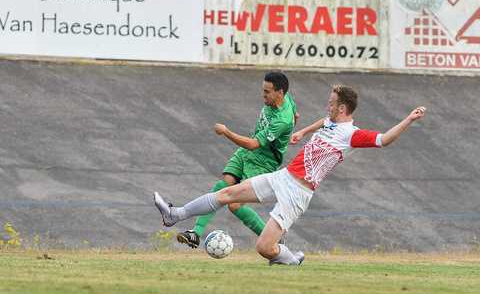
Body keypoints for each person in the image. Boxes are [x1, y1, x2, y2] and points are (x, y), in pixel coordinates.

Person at [154, 84, 427, 265]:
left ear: (342, 108)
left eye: (331, 103)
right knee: (226, 193)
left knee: (265, 248)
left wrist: (409, 119)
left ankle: (291, 259)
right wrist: (304, 131)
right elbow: (324, 122)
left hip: (298, 192)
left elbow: (385, 139)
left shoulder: (352, 135)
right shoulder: (332, 121)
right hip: (283, 177)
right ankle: (174, 215)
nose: (327, 106)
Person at [175, 71, 298, 248]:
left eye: (267, 92)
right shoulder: (288, 100)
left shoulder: (282, 120)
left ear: (280, 92)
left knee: (234, 205)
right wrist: (295, 123)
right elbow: (295, 113)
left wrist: (226, 132)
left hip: (263, 160)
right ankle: (196, 233)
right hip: (246, 153)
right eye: (263, 90)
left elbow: (253, 144)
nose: (263, 95)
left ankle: (275, 241)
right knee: (225, 183)